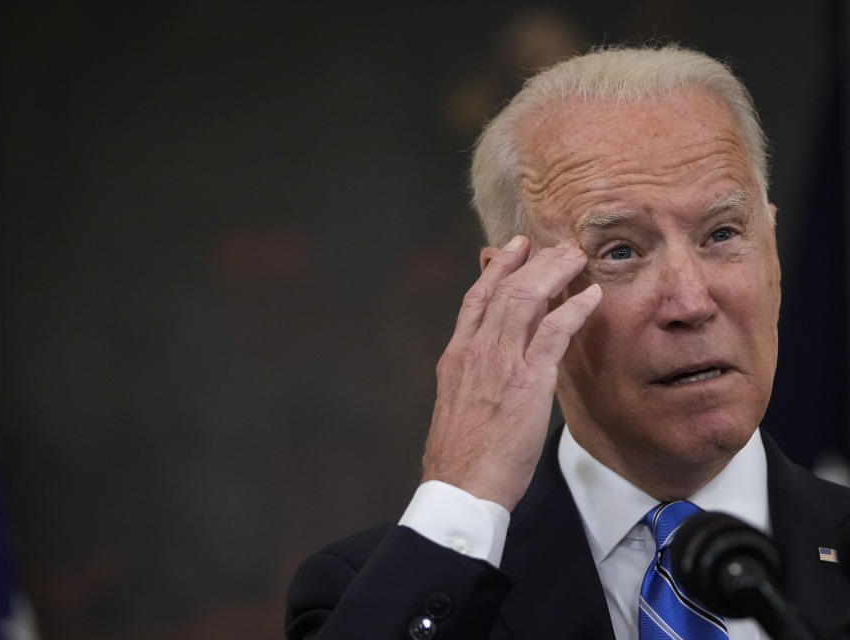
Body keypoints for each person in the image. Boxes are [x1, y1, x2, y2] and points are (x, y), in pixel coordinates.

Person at [285, 45, 850, 640]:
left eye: (722, 234)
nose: (690, 302)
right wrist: (465, 498)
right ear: (516, 294)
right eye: (621, 252)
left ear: (774, 257)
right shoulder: (384, 590)